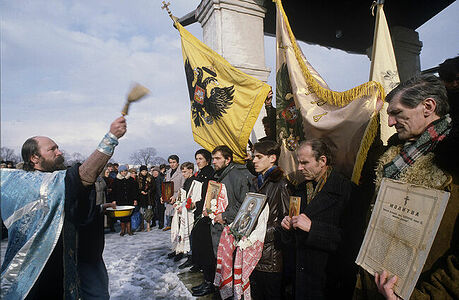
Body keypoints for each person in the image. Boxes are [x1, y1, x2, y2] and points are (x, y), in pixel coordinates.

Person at [354, 74, 458, 300]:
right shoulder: (391, 157)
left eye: (397, 113)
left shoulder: (454, 166)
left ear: (428, 106)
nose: (390, 122)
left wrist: (421, 297)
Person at [1, 116, 126, 299]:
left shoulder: (54, 178)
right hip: (35, 271)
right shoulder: (27, 182)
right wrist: (111, 138)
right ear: (34, 157)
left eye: (58, 147)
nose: (59, 152)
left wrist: (98, 209)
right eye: (52, 149)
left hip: (66, 265)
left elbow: (68, 210)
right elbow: (82, 177)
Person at [281, 138, 356, 299]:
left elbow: (352, 241)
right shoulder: (300, 189)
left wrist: (313, 229)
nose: (299, 168)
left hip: (328, 281)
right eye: (298, 162)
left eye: (305, 163)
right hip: (302, 279)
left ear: (322, 161)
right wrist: (287, 229)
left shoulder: (346, 190)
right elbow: (292, 241)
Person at [192, 145, 253, 297]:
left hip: (230, 229)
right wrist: (209, 209)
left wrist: (225, 216)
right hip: (218, 228)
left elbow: (245, 204)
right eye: (213, 159)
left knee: (229, 265)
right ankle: (220, 290)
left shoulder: (237, 175)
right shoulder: (220, 174)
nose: (214, 162)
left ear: (228, 159)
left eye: (218, 158)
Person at [248, 140, 290, 300]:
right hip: (254, 249)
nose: (254, 160)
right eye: (253, 156)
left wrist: (260, 234)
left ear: (272, 158)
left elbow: (286, 222)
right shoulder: (256, 182)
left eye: (258, 156)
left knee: (270, 294)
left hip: (271, 253)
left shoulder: (281, 184)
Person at [189, 149, 215, 274]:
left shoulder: (210, 173)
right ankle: (198, 262)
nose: (198, 161)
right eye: (196, 159)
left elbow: (208, 194)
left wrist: (198, 204)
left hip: (205, 211)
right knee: (196, 237)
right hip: (197, 209)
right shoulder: (199, 173)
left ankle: (206, 270)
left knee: (203, 241)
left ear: (207, 160)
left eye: (200, 159)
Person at [113, 164, 138, 236]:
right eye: (122, 171)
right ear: (120, 172)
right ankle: (123, 230)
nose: (124, 172)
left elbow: (135, 191)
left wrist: (135, 199)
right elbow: (114, 191)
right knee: (122, 216)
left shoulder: (131, 180)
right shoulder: (116, 180)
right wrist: (114, 200)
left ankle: (129, 230)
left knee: (129, 215)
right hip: (120, 201)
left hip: (129, 200)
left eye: (125, 171)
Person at [163, 155, 185, 232]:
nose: (172, 164)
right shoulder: (168, 172)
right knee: (170, 217)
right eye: (170, 162)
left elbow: (183, 187)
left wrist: (175, 196)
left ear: (178, 163)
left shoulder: (182, 172)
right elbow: (166, 186)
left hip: (178, 198)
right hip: (169, 198)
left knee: (177, 220)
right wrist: (163, 196)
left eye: (174, 162)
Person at [137, 165, 155, 232]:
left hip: (148, 197)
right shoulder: (138, 178)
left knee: (149, 212)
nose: (144, 172)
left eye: (145, 171)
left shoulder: (150, 177)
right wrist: (141, 191)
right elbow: (136, 188)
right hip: (141, 198)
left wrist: (148, 191)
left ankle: (148, 225)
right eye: (142, 171)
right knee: (141, 211)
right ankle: (142, 226)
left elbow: (153, 187)